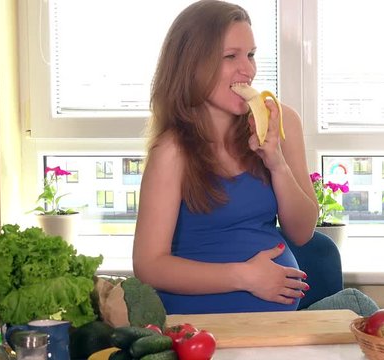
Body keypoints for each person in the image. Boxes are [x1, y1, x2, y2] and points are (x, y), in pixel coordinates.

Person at [132, 0, 319, 315]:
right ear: (192, 65)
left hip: (278, 332)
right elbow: (149, 266)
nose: (247, 70)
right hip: (200, 327)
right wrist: (245, 277)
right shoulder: (172, 151)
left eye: (251, 55)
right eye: (230, 56)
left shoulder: (281, 120)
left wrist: (276, 162)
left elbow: (303, 232)